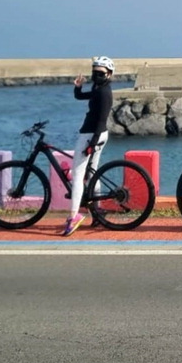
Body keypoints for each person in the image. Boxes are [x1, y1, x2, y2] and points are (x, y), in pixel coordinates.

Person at [63, 56, 115, 237]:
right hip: (95, 135)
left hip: (91, 135)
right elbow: (80, 96)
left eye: (100, 73)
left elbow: (101, 121)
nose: (96, 75)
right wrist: (78, 86)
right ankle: (97, 212)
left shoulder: (104, 93)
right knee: (92, 173)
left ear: (109, 74)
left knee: (78, 176)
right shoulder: (97, 88)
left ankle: (74, 216)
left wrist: (91, 144)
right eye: (94, 72)